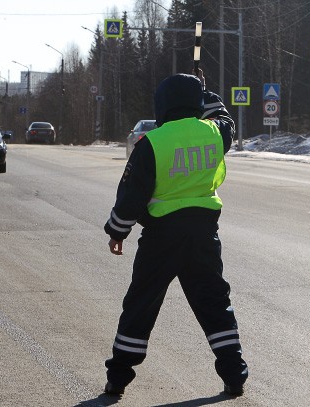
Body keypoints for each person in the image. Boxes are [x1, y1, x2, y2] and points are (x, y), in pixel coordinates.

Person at [103, 69, 248, 397]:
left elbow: (131, 196)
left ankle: (118, 379)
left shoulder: (151, 143)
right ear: (195, 104)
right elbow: (224, 118)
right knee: (214, 302)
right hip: (203, 236)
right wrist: (207, 96)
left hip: (161, 239)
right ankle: (235, 374)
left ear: (162, 105)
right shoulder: (214, 134)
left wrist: (117, 231)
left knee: (141, 305)